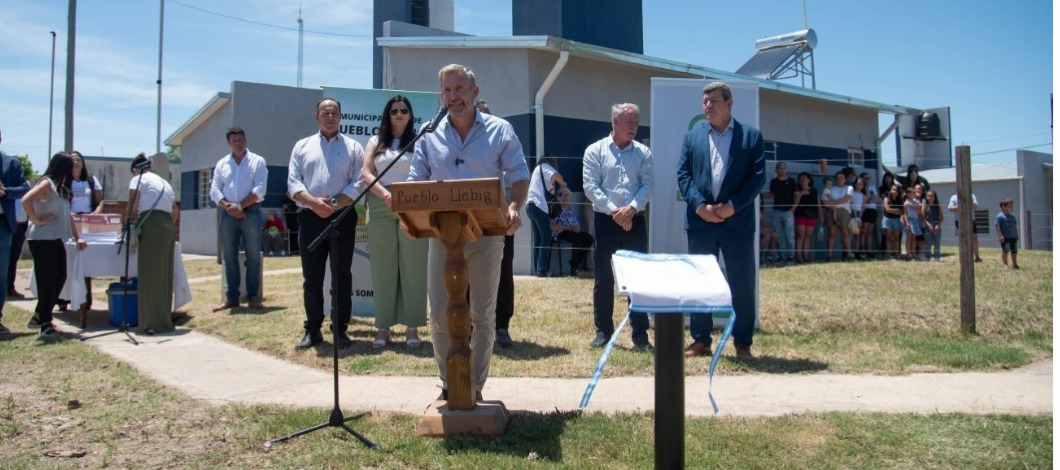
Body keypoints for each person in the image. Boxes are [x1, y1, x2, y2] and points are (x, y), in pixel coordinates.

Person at [408, 64, 530, 400]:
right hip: (443, 236)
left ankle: (473, 386)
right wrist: (410, 215)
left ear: (474, 92)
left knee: (482, 315)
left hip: (487, 234)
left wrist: (514, 206)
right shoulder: (429, 133)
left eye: (459, 89)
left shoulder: (500, 130)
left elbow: (519, 174)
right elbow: (416, 180)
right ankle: (450, 384)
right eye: (447, 90)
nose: (453, 97)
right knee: (438, 314)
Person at [677, 81, 765, 360]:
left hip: (737, 223)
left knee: (742, 283)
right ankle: (700, 340)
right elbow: (683, 175)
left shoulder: (750, 137)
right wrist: (700, 206)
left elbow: (757, 178)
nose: (707, 106)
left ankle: (743, 343)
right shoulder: (692, 137)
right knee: (700, 283)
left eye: (713, 101)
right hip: (701, 222)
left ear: (729, 104)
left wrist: (733, 207)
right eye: (704, 101)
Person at [288, 98, 365, 350]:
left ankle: (340, 330)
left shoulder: (353, 147)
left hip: (342, 217)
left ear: (340, 116)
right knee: (312, 277)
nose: (330, 116)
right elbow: (293, 183)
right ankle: (313, 330)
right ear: (316, 117)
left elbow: (358, 182)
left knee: (341, 276)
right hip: (310, 218)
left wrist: (332, 204)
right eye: (325, 112)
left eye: (334, 112)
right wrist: (313, 203)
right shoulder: (302, 147)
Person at [583, 102, 654, 351]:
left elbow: (647, 185)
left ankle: (640, 334)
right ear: (615, 122)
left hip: (636, 220)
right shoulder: (595, 151)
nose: (634, 127)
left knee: (638, 278)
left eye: (636, 122)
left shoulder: (644, 153)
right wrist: (616, 211)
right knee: (604, 277)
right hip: (606, 220)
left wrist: (631, 209)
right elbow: (591, 186)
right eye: (629, 122)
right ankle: (603, 332)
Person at [362, 95, 427, 349]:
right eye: (394, 110)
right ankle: (383, 327)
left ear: (410, 115)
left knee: (414, 266)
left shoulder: (420, 140)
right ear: (387, 115)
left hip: (412, 205)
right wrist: (386, 195)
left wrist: (405, 198)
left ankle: (413, 327)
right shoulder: (375, 141)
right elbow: (367, 174)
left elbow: (426, 172)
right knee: (383, 267)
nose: (399, 114)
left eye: (404, 110)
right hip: (381, 205)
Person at [23, 153, 87, 339]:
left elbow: (68, 216)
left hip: (56, 238)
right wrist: (37, 220)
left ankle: (39, 315)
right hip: (42, 239)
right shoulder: (47, 183)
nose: (75, 167)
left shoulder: (61, 187)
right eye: (71, 165)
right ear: (63, 167)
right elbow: (26, 200)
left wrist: (77, 237)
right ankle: (46, 323)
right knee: (48, 281)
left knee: (60, 277)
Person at [210, 127, 268, 311]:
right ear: (229, 143)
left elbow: (260, 189)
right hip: (227, 213)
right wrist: (230, 207)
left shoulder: (258, 161)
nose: (238, 143)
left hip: (251, 211)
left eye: (241, 139)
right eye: (234, 140)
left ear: (246, 140)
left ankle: (253, 297)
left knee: (253, 256)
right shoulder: (222, 164)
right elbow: (214, 190)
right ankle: (232, 298)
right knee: (229, 257)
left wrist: (240, 206)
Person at [476, 99, 518, 349]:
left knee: (503, 271)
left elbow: (517, 176)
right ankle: (470, 325)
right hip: (467, 215)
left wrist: (512, 209)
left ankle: (501, 325)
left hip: (499, 214)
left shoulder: (502, 141)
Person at [128, 154, 178, 335]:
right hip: (167, 226)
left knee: (149, 274)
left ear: (136, 170)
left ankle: (149, 323)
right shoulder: (164, 183)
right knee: (164, 274)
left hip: (151, 224)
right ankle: (164, 319)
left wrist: (128, 225)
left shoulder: (138, 179)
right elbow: (174, 212)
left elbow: (133, 207)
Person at [0, 137, 31, 336]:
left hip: (3, 225)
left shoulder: (11, 163)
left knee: (2, 274)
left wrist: (5, 192)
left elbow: (25, 188)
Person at [69, 150, 104, 314]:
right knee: (69, 260)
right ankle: (64, 299)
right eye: (72, 160)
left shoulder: (91, 180)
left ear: (83, 163)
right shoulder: (65, 181)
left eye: (78, 160)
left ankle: (86, 299)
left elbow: (100, 200)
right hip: (70, 222)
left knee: (85, 260)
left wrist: (97, 211)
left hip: (87, 222)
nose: (76, 162)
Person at [526, 153, 567, 277]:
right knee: (547, 236)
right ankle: (542, 269)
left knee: (538, 239)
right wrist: (563, 184)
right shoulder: (545, 166)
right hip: (539, 206)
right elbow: (557, 176)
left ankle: (537, 269)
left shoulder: (536, 170)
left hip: (530, 205)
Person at [550, 188, 593, 276]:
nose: (566, 198)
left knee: (588, 238)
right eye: (564, 195)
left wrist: (577, 228)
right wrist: (568, 228)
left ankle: (574, 263)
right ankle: (574, 268)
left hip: (572, 231)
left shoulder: (570, 210)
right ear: (559, 197)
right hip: (561, 232)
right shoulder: (556, 209)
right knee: (577, 238)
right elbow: (553, 227)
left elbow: (577, 225)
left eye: (568, 196)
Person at [766, 162, 797, 263]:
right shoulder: (774, 182)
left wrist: (793, 208)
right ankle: (782, 257)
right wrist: (760, 196)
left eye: (784, 168)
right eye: (780, 168)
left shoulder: (792, 181)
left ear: (786, 170)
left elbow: (797, 195)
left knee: (789, 235)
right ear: (776, 170)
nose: (782, 170)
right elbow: (771, 193)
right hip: (776, 210)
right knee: (779, 235)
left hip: (788, 211)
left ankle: (791, 256)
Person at [825, 171, 854, 261]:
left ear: (845, 179)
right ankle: (830, 256)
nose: (840, 179)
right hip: (832, 210)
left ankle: (848, 254)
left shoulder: (849, 188)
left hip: (844, 211)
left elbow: (846, 199)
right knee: (831, 234)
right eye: (838, 178)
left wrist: (833, 202)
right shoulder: (831, 188)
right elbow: (825, 201)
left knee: (845, 234)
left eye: (842, 178)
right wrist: (833, 204)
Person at [792, 172, 819, 263]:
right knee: (800, 235)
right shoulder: (797, 190)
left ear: (809, 180)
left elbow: (818, 203)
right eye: (800, 179)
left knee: (808, 236)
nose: (802, 180)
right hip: (800, 214)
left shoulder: (814, 190)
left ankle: (805, 256)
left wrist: (820, 216)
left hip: (811, 215)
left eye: (804, 178)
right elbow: (794, 201)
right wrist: (801, 194)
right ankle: (798, 256)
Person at [948, 192, 982, 262]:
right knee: (964, 239)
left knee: (974, 238)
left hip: (971, 220)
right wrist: (961, 206)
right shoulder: (953, 197)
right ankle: (965, 257)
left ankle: (977, 257)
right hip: (959, 220)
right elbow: (950, 208)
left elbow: (976, 206)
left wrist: (967, 203)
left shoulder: (971, 195)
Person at [859, 172, 879, 259]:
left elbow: (877, 199)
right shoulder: (861, 187)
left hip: (873, 210)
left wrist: (870, 199)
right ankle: (862, 250)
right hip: (865, 210)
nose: (868, 180)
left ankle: (869, 251)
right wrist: (870, 198)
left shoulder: (872, 187)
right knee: (864, 231)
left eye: (869, 178)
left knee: (870, 231)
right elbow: (866, 198)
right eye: (866, 178)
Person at [995, 198, 1019, 269]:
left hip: (1013, 237)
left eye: (1012, 206)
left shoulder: (1012, 217)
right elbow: (997, 227)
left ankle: (1014, 264)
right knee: (1005, 250)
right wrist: (1000, 235)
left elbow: (1014, 227)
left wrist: (1016, 235)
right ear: (1003, 207)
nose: (1011, 208)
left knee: (1014, 251)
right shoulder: (999, 217)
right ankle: (1005, 264)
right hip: (1005, 237)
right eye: (1009, 206)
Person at [881, 183, 904, 259]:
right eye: (893, 190)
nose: (895, 192)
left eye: (896, 190)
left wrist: (893, 211)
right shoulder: (886, 199)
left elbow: (901, 212)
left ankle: (896, 253)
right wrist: (896, 210)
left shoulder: (900, 200)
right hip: (887, 219)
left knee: (896, 237)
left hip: (897, 220)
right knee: (889, 237)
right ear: (890, 190)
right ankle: (889, 253)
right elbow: (887, 209)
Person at [922, 190, 943, 261]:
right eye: (928, 196)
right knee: (928, 243)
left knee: (937, 242)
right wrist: (928, 225)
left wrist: (938, 225)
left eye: (931, 196)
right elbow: (923, 218)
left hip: (936, 224)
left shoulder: (938, 206)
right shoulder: (925, 207)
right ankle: (927, 257)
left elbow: (941, 217)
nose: (930, 197)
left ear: (934, 197)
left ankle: (937, 257)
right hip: (928, 225)